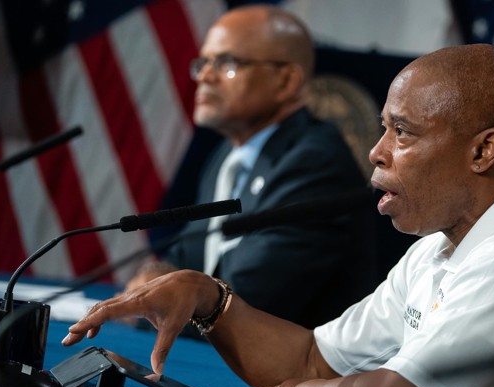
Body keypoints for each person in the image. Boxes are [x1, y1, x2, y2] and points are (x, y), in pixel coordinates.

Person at [63, 44, 494, 387]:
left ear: (484, 152)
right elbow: (314, 361)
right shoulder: (438, 248)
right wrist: (207, 296)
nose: (376, 152)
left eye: (402, 132)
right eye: (384, 129)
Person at [131, 5, 380, 329]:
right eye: (204, 63)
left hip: (293, 373)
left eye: (227, 63)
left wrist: (152, 300)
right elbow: (186, 256)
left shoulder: (316, 162)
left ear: (286, 80)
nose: (205, 76)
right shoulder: (228, 156)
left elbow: (245, 304)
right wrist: (153, 278)